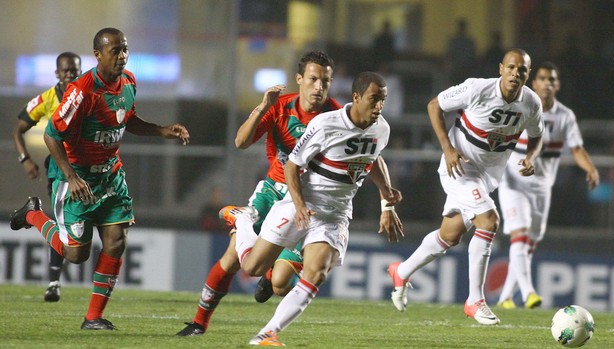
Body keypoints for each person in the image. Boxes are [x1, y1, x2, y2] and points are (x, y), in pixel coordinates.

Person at [176, 51, 403, 337]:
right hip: (276, 192)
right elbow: (241, 142)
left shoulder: (340, 114)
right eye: (313, 79)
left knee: (282, 283)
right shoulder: (283, 107)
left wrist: (387, 200)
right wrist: (261, 108)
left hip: (315, 204)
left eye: (326, 80)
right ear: (300, 79)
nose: (319, 86)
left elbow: (370, 154)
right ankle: (199, 322)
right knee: (237, 261)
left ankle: (267, 331)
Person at [9, 27, 190, 330]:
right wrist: (70, 176)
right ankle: (33, 215)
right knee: (75, 255)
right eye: (115, 50)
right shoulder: (82, 91)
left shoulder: (130, 82)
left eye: (125, 49)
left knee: (116, 241)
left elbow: (127, 119)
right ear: (98, 54)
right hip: (78, 181)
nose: (122, 56)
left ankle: (93, 317)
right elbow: (53, 135)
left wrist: (162, 130)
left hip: (111, 177)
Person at [234, 71, 402, 346]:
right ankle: (241, 221)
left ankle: (267, 333)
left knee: (317, 272)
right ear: (357, 97)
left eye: (383, 100)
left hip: (335, 214)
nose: (379, 107)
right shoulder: (326, 124)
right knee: (253, 267)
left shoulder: (381, 128)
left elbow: (374, 159)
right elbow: (292, 165)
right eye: (374, 99)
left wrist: (386, 200)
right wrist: (299, 206)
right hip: (303, 203)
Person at [387, 48, 545, 325]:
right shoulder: (477, 89)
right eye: (510, 67)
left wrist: (530, 157)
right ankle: (475, 300)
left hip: (487, 177)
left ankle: (402, 270)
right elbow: (434, 105)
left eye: (521, 70)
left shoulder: (531, 103)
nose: (515, 73)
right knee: (489, 220)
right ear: (501, 68)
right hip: (459, 168)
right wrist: (447, 149)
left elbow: (537, 135)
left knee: (450, 235)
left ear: (527, 74)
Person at [496, 62, 600, 309]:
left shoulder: (565, 116)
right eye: (542, 78)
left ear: (558, 85)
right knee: (520, 236)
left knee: (528, 242)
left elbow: (576, 148)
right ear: (534, 83)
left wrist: (591, 168)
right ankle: (529, 291)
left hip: (542, 186)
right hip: (513, 182)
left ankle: (505, 297)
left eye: (552, 79)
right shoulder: (520, 107)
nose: (547, 83)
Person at [11, 52, 81, 302]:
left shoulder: (87, 96)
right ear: (57, 73)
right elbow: (18, 130)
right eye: (66, 70)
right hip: (59, 170)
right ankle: (54, 283)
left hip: (86, 169)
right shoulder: (48, 99)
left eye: (74, 70)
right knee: (64, 228)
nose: (70, 74)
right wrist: (25, 159)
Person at [445, 19, 477, 84]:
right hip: (466, 67)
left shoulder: (454, 40)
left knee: (455, 86)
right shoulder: (469, 41)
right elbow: (472, 55)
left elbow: (449, 54)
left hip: (457, 67)